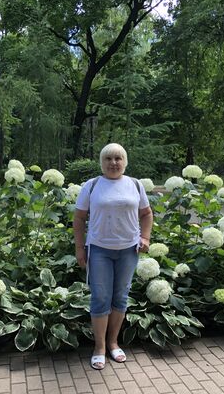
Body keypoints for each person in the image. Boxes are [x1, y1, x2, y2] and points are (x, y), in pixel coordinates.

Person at [73, 143, 153, 370]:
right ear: (101, 162)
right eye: (108, 158)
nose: (113, 163)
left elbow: (146, 214)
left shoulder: (135, 185)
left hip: (129, 250)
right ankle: (99, 347)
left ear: (125, 162)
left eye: (118, 158)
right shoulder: (92, 185)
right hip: (99, 250)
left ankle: (113, 343)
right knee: (100, 298)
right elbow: (79, 219)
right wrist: (79, 248)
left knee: (120, 297)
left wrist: (145, 238)